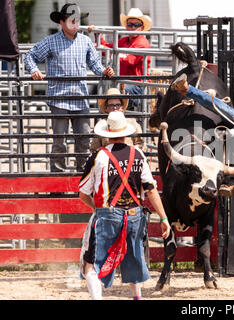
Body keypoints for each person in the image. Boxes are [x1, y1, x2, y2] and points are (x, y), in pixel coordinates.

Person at [79, 111, 170, 300]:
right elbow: (151, 189)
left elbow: (83, 193)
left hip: (108, 214)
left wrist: (97, 210)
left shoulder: (98, 156)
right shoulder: (138, 154)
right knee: (134, 259)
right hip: (135, 214)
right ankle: (137, 298)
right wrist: (163, 218)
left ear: (107, 133)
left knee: (92, 263)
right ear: (125, 133)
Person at [24, 3, 115, 172]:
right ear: (62, 22)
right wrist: (35, 70)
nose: (75, 24)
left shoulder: (86, 41)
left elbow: (94, 63)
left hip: (81, 98)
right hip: (59, 98)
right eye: (71, 21)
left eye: (77, 21)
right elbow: (30, 56)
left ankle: (84, 177)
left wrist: (103, 70)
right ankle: (58, 179)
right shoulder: (51, 42)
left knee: (84, 140)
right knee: (60, 141)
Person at [89, 8, 152, 111]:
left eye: (136, 25)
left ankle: (110, 117)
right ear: (126, 26)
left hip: (138, 85)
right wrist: (97, 33)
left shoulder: (142, 43)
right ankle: (105, 120)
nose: (133, 27)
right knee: (101, 90)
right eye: (130, 24)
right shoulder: (124, 40)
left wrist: (111, 51)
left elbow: (129, 61)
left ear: (142, 27)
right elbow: (107, 48)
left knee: (113, 92)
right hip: (123, 82)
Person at [90, 87, 146, 152]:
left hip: (128, 159)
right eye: (111, 105)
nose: (115, 108)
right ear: (106, 108)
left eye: (118, 105)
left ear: (122, 107)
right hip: (108, 159)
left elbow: (141, 144)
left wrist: (129, 154)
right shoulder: (101, 126)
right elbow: (94, 149)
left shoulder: (132, 123)